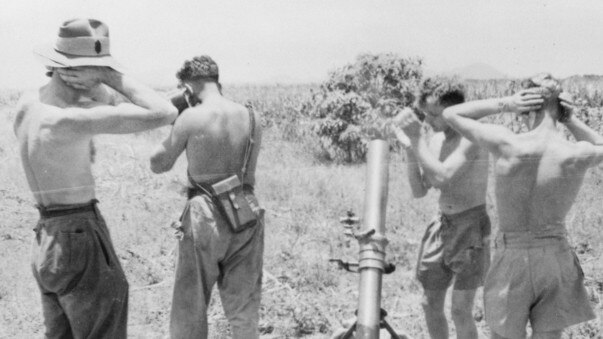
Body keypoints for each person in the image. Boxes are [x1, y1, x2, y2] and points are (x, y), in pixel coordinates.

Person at [13, 18, 177, 338]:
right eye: (94, 69)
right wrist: (110, 75)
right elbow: (164, 112)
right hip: (79, 235)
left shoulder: (29, 103)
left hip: (47, 236)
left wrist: (94, 78)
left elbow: (112, 102)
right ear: (76, 71)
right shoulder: (69, 119)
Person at [442, 73, 599, 339]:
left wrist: (506, 103)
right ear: (560, 108)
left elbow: (451, 115)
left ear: (528, 106)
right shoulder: (574, 153)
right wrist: (570, 118)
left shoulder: (507, 143)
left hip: (512, 255)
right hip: (555, 256)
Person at [150, 55, 264, 339]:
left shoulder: (191, 117)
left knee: (191, 304)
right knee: (244, 308)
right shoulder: (251, 116)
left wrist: (174, 120)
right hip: (245, 209)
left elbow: (158, 164)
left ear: (187, 87)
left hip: (206, 214)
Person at [393, 77, 491, 339]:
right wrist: (410, 150)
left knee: (461, 311)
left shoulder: (473, 136)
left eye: (434, 114)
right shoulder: (435, 140)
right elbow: (419, 190)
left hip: (470, 228)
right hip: (442, 225)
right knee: (429, 304)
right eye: (425, 114)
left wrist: (417, 140)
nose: (428, 121)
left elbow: (443, 177)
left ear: (455, 111)